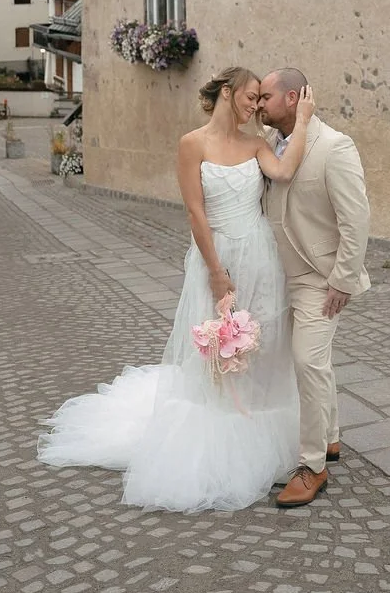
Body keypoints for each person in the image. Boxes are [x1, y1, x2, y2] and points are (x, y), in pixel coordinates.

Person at [37, 66, 314, 513]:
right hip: (215, 255)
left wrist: (302, 121)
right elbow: (195, 212)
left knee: (259, 348)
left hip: (259, 256)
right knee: (214, 356)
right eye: (251, 96)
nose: (255, 106)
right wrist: (216, 272)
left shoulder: (256, 144)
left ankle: (261, 435)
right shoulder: (192, 144)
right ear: (228, 93)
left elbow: (282, 172)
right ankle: (218, 446)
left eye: (260, 98)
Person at [258, 67, 371, 509]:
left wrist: (343, 279)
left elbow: (356, 219)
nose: (259, 104)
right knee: (314, 361)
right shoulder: (269, 144)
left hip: (318, 278)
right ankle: (330, 436)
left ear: (291, 98)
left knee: (307, 361)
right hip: (275, 276)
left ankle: (312, 466)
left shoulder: (335, 146)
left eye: (265, 97)